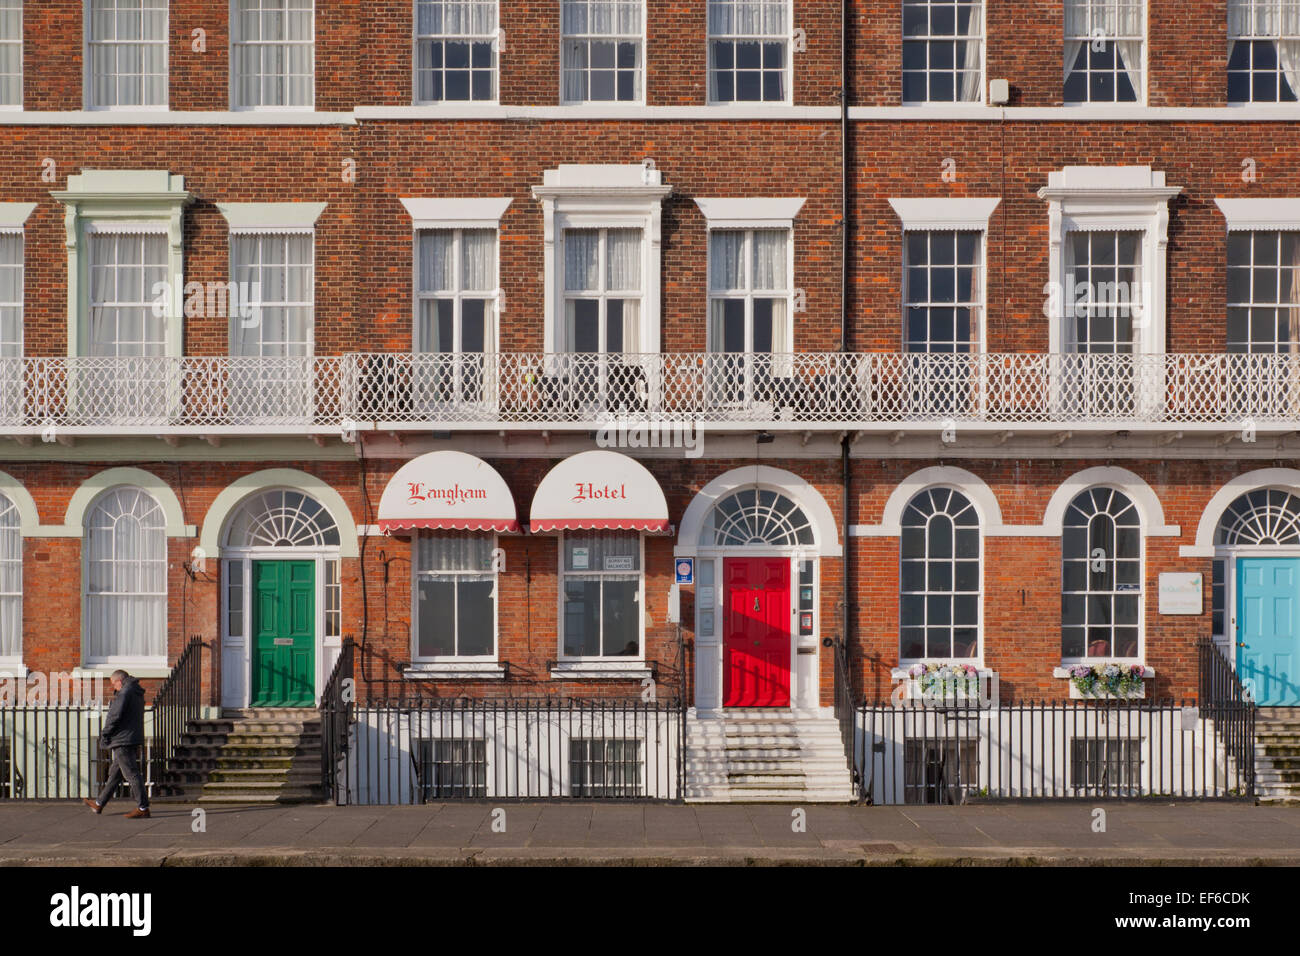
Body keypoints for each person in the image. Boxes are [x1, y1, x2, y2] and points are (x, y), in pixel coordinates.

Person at [83, 669, 150, 818]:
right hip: (131, 736)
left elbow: (114, 715)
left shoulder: (125, 693)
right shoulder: (136, 691)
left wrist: (105, 733)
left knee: (131, 773)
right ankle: (99, 803)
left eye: (114, 684)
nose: (114, 687)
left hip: (122, 739)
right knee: (115, 774)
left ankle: (143, 807)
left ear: (119, 681)